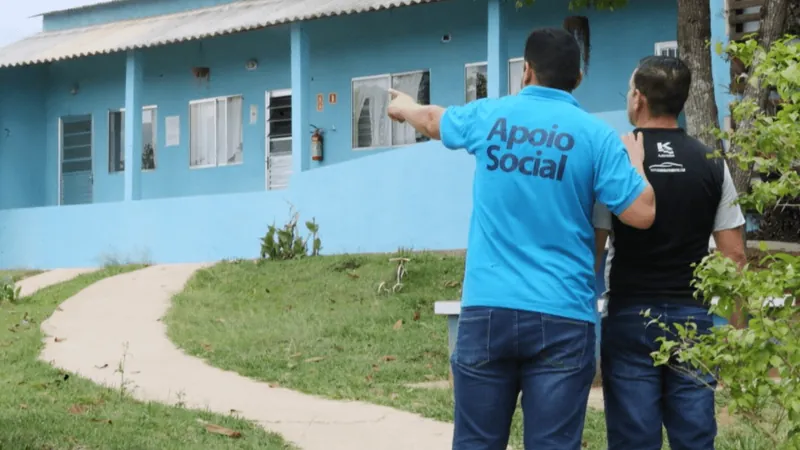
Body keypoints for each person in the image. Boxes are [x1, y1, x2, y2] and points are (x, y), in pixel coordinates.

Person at [386, 27, 656, 450]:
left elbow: (433, 120)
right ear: (578, 79)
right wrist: (636, 164)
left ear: (526, 70)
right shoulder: (596, 136)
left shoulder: (490, 116)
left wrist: (405, 106)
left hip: (488, 310)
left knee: (476, 442)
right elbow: (642, 213)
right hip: (563, 315)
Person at [592, 55, 747, 450]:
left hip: (630, 317)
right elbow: (734, 257)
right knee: (695, 438)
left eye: (629, 90)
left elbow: (596, 247)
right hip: (693, 319)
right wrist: (736, 330)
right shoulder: (712, 162)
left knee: (633, 439)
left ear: (639, 100)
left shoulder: (619, 159)